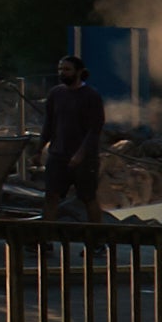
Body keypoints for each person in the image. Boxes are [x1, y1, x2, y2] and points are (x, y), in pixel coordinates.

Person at [39, 51, 109, 214]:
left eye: (67, 69)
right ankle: (46, 237)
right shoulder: (56, 94)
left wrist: (80, 154)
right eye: (60, 69)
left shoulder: (91, 96)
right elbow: (49, 123)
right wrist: (39, 148)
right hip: (58, 154)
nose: (62, 73)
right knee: (51, 196)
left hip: (85, 159)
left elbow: (94, 129)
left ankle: (96, 238)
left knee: (88, 198)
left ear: (78, 72)